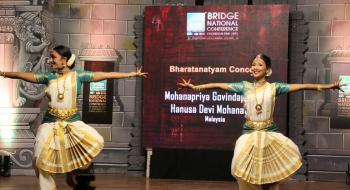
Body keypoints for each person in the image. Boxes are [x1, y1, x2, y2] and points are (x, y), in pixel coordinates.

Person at [177, 53, 343, 190]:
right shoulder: (244, 86)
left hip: (269, 133)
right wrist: (195, 88)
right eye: (253, 65)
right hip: (249, 134)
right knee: (239, 169)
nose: (255, 67)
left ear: (268, 70)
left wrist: (328, 86)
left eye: (259, 64)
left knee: (270, 176)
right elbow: (219, 85)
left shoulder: (274, 88)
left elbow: (302, 86)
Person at [0, 45, 147, 190]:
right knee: (38, 159)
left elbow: (105, 75)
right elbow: (25, 75)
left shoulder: (78, 76)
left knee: (96, 140)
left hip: (72, 122)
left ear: (64, 60)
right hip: (50, 123)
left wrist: (130, 74)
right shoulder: (48, 77)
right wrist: (3, 73)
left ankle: (72, 172)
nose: (50, 61)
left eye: (53, 57)